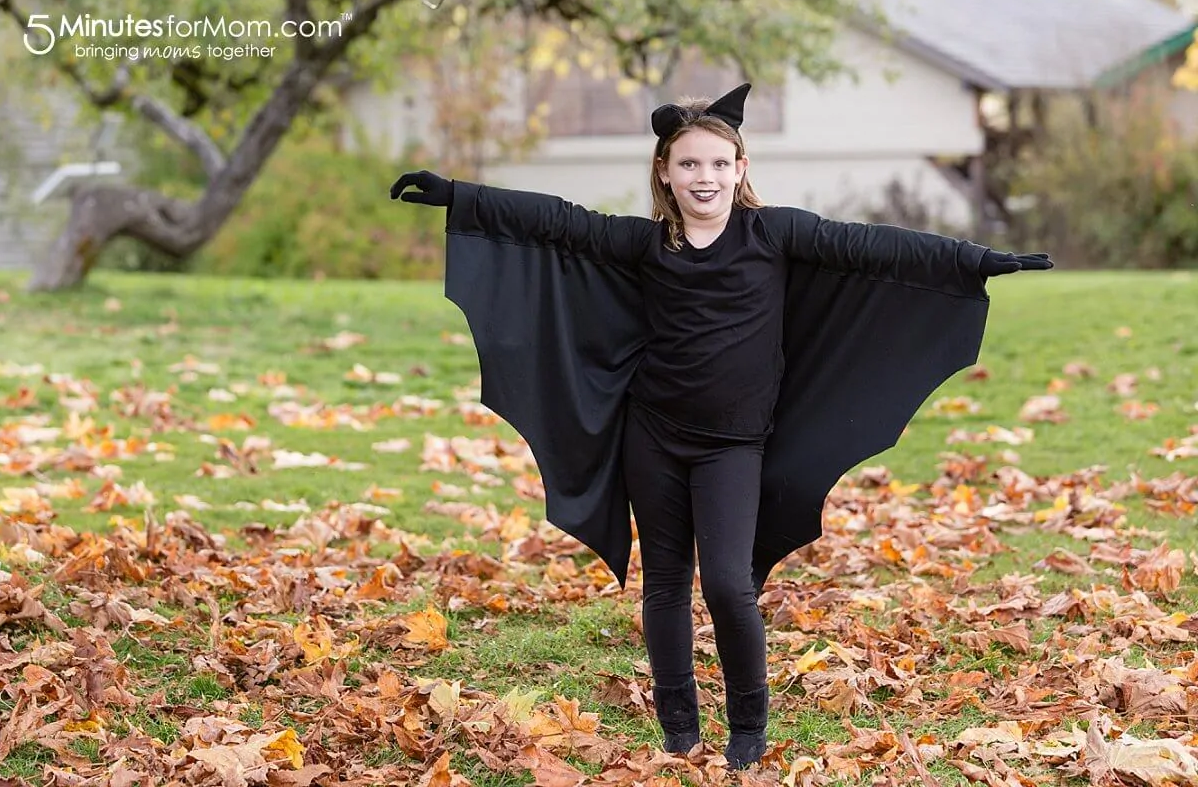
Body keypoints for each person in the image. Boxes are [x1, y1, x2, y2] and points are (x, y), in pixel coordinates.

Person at [389, 83, 1052, 770]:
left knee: (730, 584)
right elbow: (557, 220)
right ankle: (678, 729)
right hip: (653, 435)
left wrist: (976, 259)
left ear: (740, 170)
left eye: (717, 164)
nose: (704, 177)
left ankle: (748, 724)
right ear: (665, 174)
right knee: (666, 583)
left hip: (734, 444)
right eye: (688, 165)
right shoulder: (646, 244)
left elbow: (875, 247)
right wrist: (460, 196)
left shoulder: (776, 234)